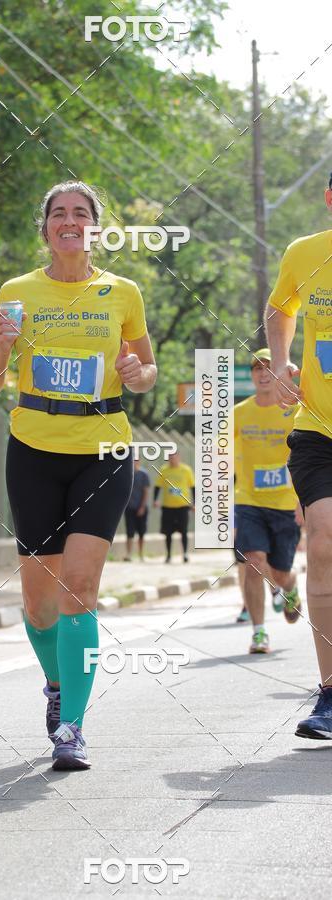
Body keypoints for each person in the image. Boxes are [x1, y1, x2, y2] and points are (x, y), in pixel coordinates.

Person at [0, 181, 157, 769]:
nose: (70, 222)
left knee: (80, 587)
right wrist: (1, 349)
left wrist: (136, 372)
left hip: (104, 446)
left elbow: (147, 371)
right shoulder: (17, 292)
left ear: (96, 227)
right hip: (34, 446)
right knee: (38, 602)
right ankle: (56, 683)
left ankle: (71, 727)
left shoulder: (122, 292)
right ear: (46, 227)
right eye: (60, 214)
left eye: (81, 213)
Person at [266, 174, 332, 738]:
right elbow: (278, 309)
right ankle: (331, 694)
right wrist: (284, 360)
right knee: (325, 540)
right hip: (318, 427)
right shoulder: (306, 253)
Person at [233, 348, 302, 653]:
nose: (263, 374)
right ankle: (259, 632)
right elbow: (217, 457)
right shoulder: (238, 413)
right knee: (252, 562)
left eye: (269, 368)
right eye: (257, 368)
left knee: (279, 572)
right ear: (252, 375)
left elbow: (305, 457)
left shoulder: (293, 412)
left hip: (285, 503)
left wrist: (304, 500)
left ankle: (290, 588)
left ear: (279, 374)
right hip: (248, 500)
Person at [153, 451, 194, 563]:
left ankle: (185, 554)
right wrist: (155, 500)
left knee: (184, 531)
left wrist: (194, 503)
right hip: (168, 506)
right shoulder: (164, 470)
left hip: (183, 505)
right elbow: (157, 486)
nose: (172, 459)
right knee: (168, 532)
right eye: (170, 458)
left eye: (174, 457)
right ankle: (169, 555)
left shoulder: (186, 470)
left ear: (179, 458)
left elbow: (193, 487)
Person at [123, 458, 150, 560]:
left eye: (136, 460)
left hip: (141, 507)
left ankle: (141, 554)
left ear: (139, 462)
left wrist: (142, 507)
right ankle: (129, 554)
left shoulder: (144, 474)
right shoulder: (126, 473)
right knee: (129, 531)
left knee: (141, 532)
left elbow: (146, 491)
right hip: (129, 507)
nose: (134, 462)